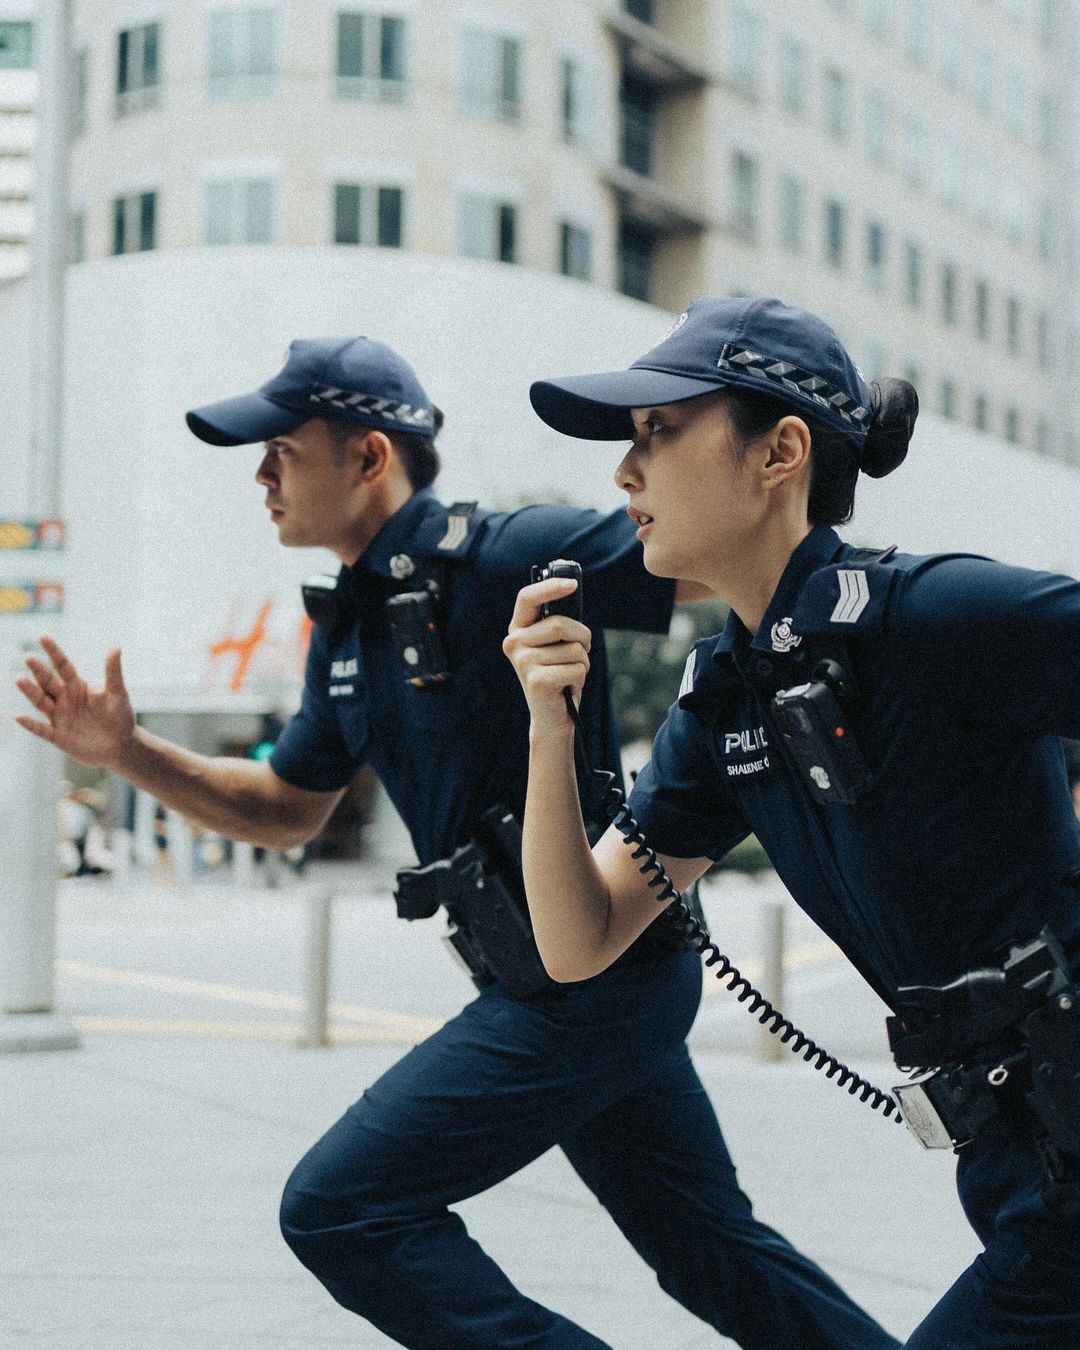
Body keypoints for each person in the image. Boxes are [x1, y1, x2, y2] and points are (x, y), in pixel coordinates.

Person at [15, 336, 899, 1349]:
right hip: (558, 976)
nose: (261, 475)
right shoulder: (347, 626)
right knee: (709, 1246)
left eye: (281, 450)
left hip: (593, 980)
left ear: (368, 458)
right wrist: (128, 751)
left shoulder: (500, 553)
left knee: (339, 1208)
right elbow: (287, 808)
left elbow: (699, 555)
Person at [504, 295, 1080, 1349]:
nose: (624, 475)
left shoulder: (934, 618)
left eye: (657, 432)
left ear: (780, 453)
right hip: (1020, 1171)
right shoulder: (730, 704)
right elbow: (578, 939)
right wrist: (550, 729)